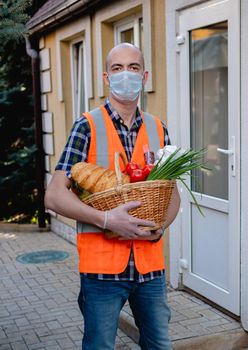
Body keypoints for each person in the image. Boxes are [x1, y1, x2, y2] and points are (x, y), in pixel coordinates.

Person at [45, 42, 181, 350]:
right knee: (100, 346)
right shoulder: (87, 125)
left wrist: (162, 226)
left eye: (133, 68)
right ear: (106, 78)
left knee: (160, 345)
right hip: (102, 271)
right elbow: (54, 196)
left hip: (150, 268)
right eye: (117, 68)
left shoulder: (158, 128)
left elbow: (171, 195)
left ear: (144, 76)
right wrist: (107, 218)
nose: (126, 75)